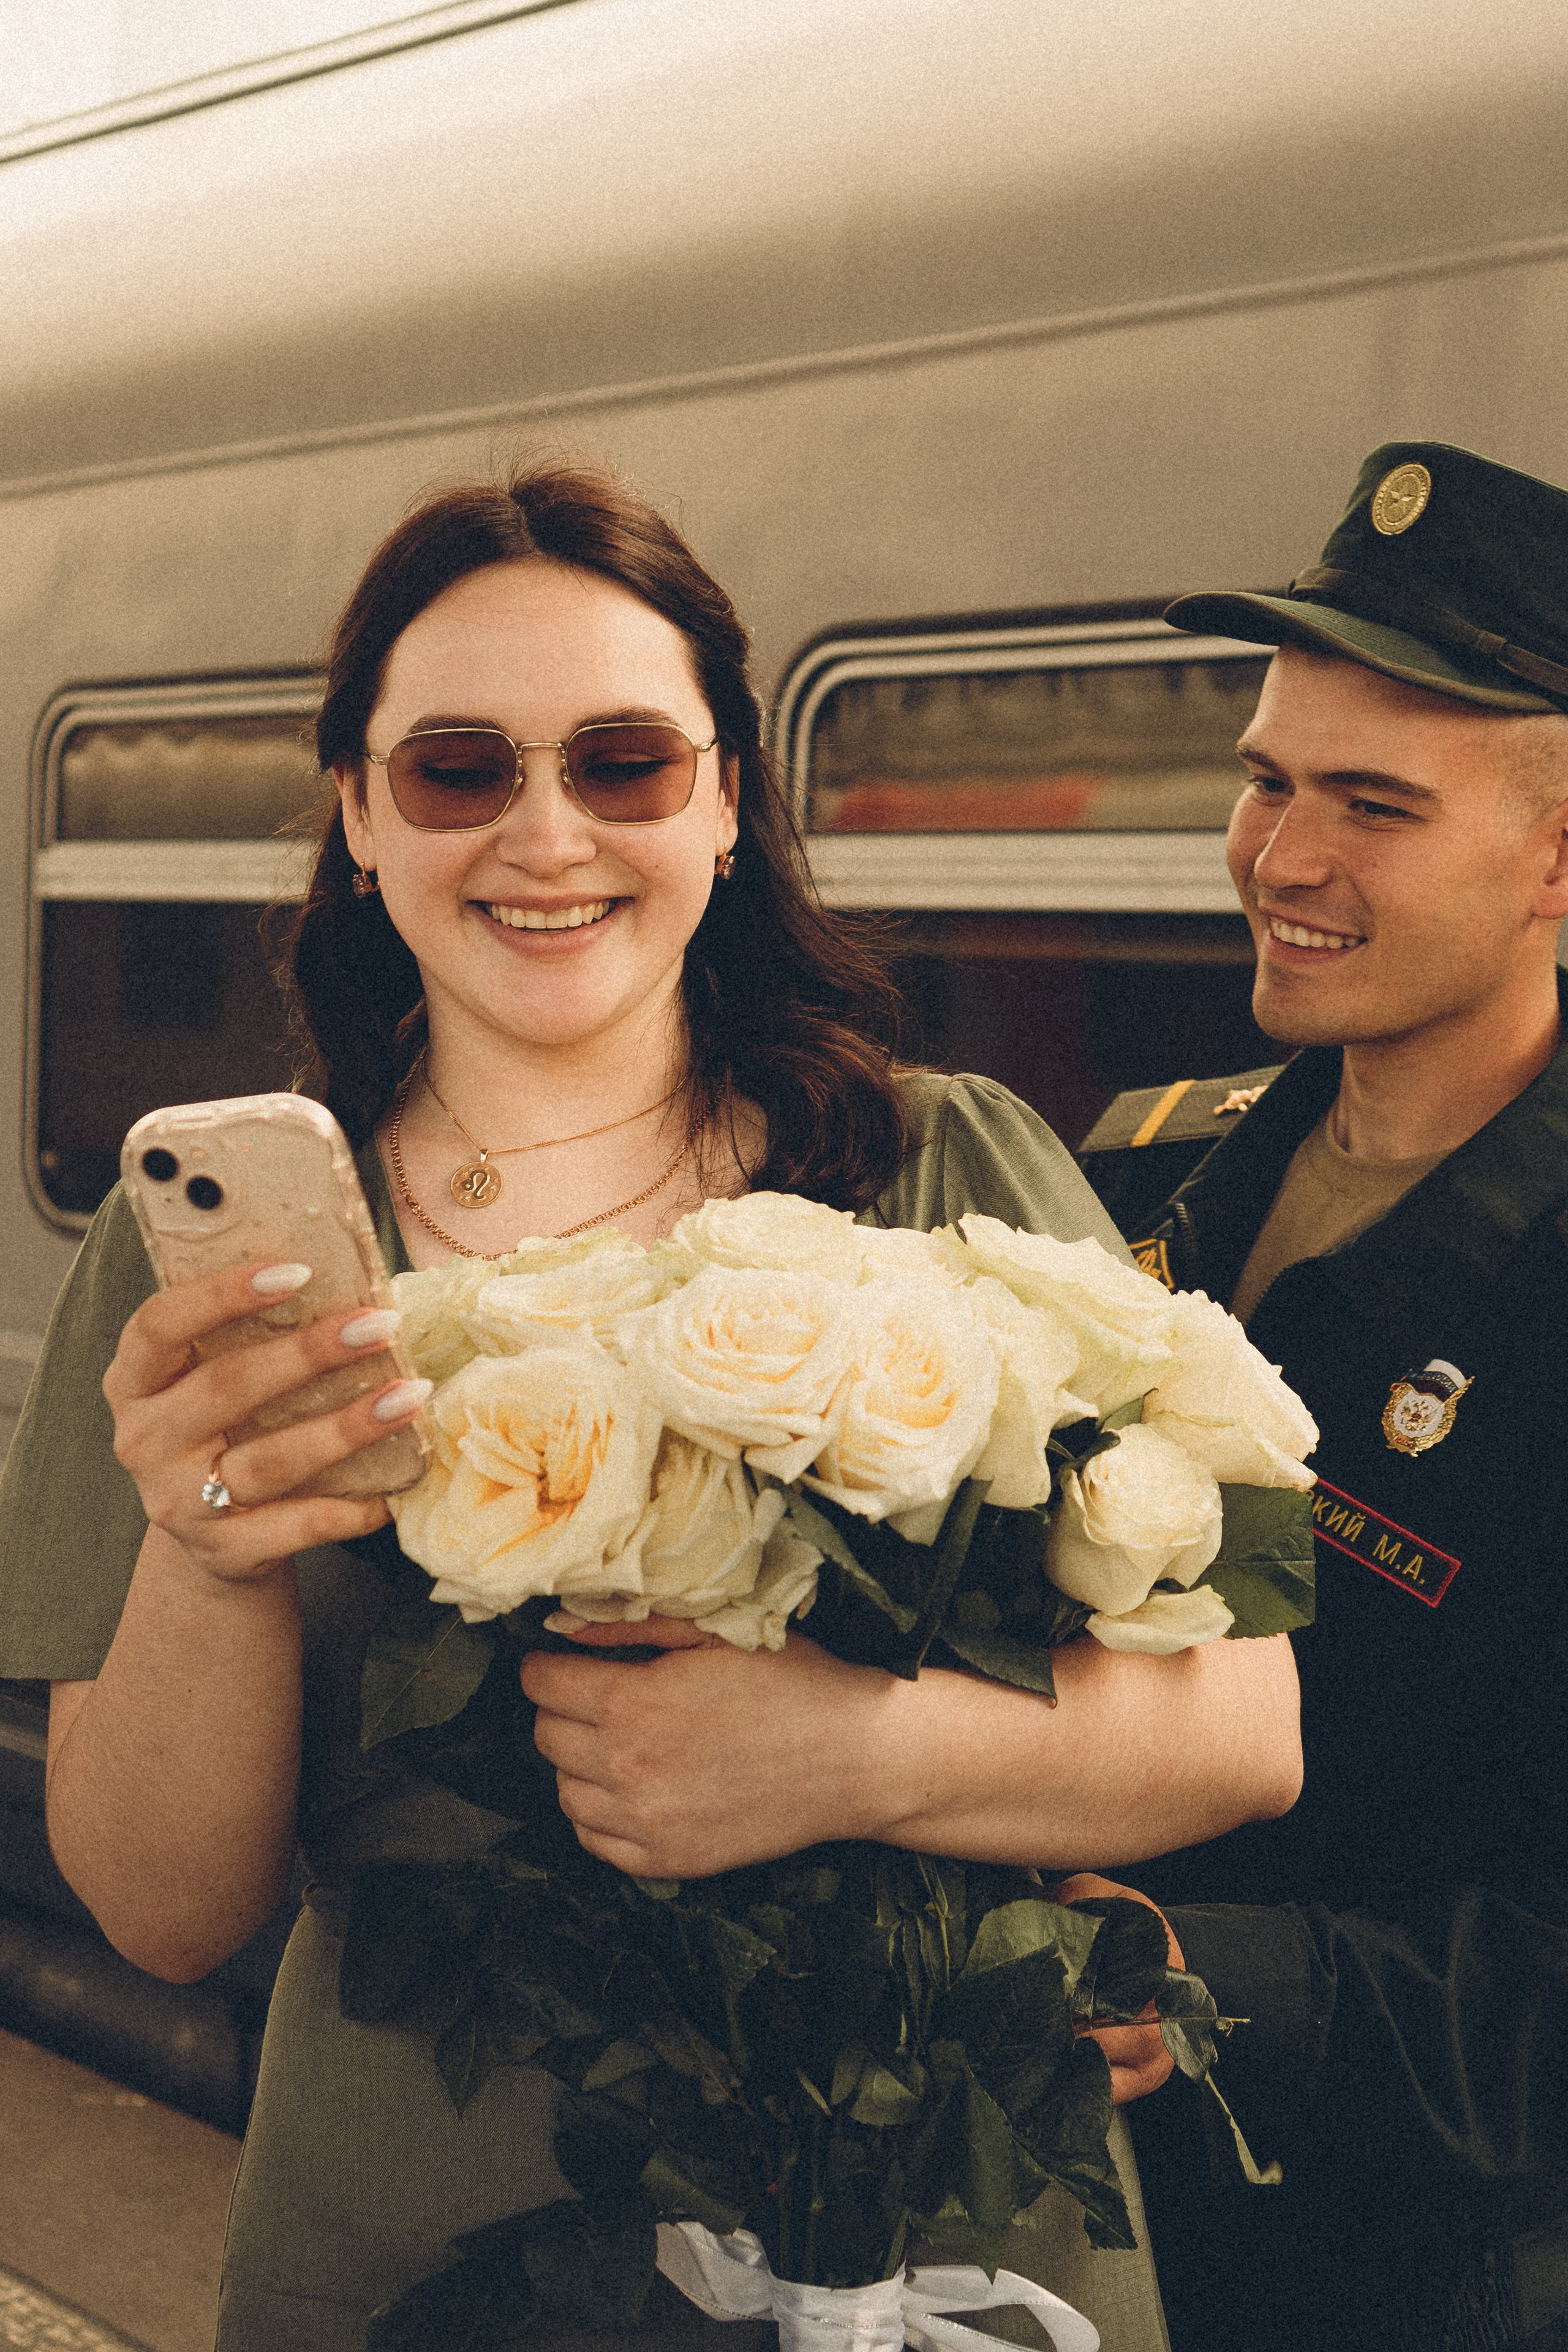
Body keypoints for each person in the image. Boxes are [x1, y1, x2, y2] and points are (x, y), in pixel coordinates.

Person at [0, 458, 1300, 2352]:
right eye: (460, 769)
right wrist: (206, 1570)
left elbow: (1242, 1728)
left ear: (720, 812)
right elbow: (162, 1918)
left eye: (623, 764)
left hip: (928, 2214)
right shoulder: (221, 1274)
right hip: (423, 2238)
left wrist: (848, 1752)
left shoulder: (951, 1176)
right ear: (358, 817)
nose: (548, 835)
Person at [1074, 442, 1568, 2352]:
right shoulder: (1141, 1188)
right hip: (1083, 2241)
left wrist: (1200, 1973)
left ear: (1556, 858)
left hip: (1403, 2279)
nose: (1283, 857)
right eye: (1268, 781)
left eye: (1376, 804)